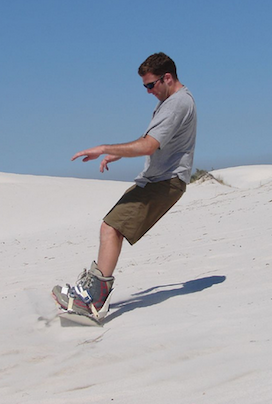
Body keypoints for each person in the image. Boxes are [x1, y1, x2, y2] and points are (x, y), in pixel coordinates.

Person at [52, 52, 197, 319]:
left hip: (165, 181)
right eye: (145, 86)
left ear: (167, 77)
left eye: (150, 85)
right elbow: (151, 137)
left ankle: (94, 301)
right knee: (110, 227)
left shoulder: (176, 104)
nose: (148, 91)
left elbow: (150, 144)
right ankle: (92, 293)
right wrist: (118, 154)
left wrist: (105, 147)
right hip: (158, 180)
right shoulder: (173, 102)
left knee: (111, 228)